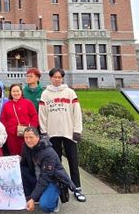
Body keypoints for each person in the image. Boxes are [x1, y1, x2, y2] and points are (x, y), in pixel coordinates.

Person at [39, 68, 86, 202]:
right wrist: (44, 132)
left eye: (59, 77)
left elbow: (77, 113)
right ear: (50, 78)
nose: (57, 79)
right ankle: (60, 188)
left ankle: (77, 188)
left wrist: (77, 130)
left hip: (68, 133)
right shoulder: (46, 94)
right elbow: (42, 114)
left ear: (62, 78)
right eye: (55, 77)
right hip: (52, 133)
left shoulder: (70, 93)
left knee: (73, 161)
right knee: (55, 163)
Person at [20, 127, 77, 213]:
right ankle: (39, 194)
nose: (28, 140)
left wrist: (32, 199)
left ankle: (54, 201)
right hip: (37, 177)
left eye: (31, 137)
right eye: (26, 138)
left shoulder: (48, 153)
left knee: (45, 205)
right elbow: (23, 164)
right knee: (22, 170)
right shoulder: (26, 147)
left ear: (38, 137)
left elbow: (45, 178)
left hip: (53, 180)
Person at [0, 84, 39, 156]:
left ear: (21, 92)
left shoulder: (28, 103)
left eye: (17, 91)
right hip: (12, 136)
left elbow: (34, 116)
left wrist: (31, 128)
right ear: (10, 93)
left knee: (29, 155)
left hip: (28, 134)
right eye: (13, 91)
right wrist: (9, 129)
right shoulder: (7, 105)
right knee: (15, 156)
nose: (16, 93)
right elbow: (3, 119)